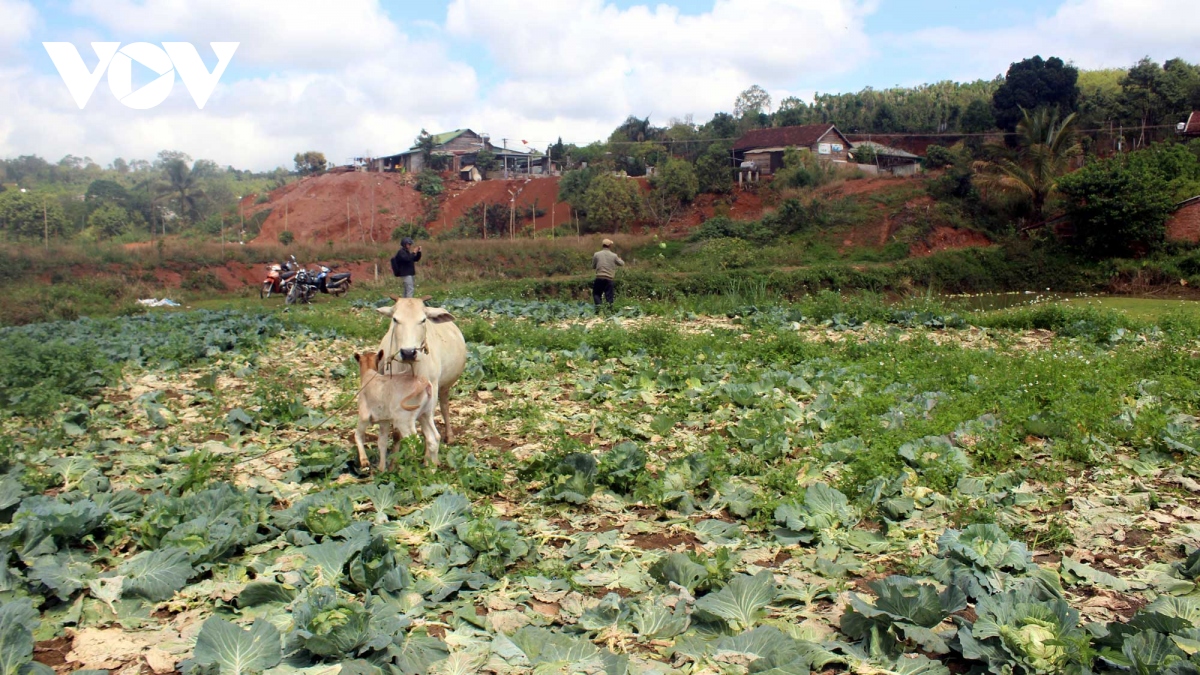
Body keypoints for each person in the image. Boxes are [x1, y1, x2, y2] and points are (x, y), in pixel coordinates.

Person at [591, 238, 624, 310]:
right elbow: (621, 264)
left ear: (603, 245)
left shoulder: (596, 254)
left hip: (599, 277)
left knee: (596, 294)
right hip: (609, 278)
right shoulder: (614, 255)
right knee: (609, 296)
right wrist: (620, 259)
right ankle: (609, 311)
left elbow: (593, 266)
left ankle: (599, 308)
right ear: (609, 246)